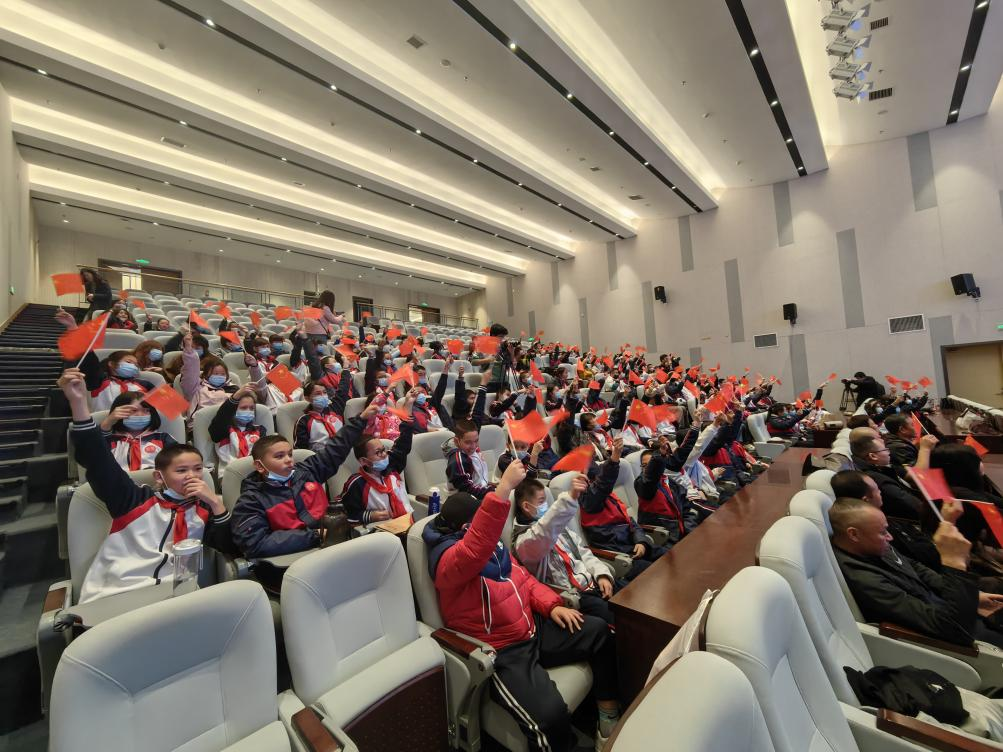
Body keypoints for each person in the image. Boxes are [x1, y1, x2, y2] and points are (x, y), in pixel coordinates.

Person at [423, 460, 620, 751]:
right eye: (479, 523)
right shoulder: (448, 561)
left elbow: (524, 579)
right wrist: (504, 487)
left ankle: (607, 721)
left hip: (531, 626)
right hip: (502, 649)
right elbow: (475, 548)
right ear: (467, 528)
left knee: (599, 631)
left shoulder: (494, 547)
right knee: (549, 718)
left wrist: (552, 605)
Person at [59, 367, 232, 604]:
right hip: (118, 596)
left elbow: (229, 547)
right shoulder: (134, 499)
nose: (191, 476)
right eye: (181, 471)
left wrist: (215, 503)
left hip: (180, 599)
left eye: (197, 469)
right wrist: (78, 404)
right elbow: (96, 460)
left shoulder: (204, 508)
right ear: (159, 477)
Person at [829, 497, 1003, 649]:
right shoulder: (864, 579)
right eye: (883, 532)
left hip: (952, 610)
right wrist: (955, 564)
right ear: (854, 534)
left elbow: (916, 568)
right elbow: (954, 630)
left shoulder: (871, 545)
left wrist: (972, 596)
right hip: (959, 640)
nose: (890, 537)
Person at [231, 402, 377, 558]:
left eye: (290, 454)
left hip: (331, 549)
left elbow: (336, 448)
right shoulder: (251, 499)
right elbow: (255, 543)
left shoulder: (307, 472)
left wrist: (361, 420)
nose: (289, 460)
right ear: (260, 466)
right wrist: (315, 535)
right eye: (279, 456)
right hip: (292, 560)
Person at [512, 475, 618, 626]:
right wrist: (570, 497)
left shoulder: (559, 528)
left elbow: (584, 553)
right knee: (619, 616)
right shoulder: (524, 543)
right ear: (527, 507)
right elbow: (543, 531)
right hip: (575, 596)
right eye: (541, 502)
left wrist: (602, 574)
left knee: (628, 596)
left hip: (594, 582)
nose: (546, 506)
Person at [579, 438, 667, 580]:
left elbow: (630, 522)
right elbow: (603, 484)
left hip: (632, 545)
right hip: (619, 555)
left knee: (668, 556)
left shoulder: (610, 496)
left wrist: (641, 540)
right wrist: (615, 457)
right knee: (656, 573)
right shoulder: (588, 500)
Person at [340, 394, 418, 525]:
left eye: (383, 450)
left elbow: (404, 443)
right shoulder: (357, 484)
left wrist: (409, 405)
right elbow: (345, 513)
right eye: (378, 453)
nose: (384, 454)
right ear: (364, 461)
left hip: (408, 523)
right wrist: (369, 516)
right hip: (380, 530)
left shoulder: (391, 466)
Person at [849, 432, 928, 520]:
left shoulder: (882, 467)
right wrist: (925, 449)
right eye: (885, 449)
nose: (889, 452)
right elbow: (917, 507)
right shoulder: (877, 480)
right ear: (873, 456)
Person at [99, 391, 178, 471]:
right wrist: (108, 422)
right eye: (133, 410)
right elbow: (94, 456)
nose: (140, 415)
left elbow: (179, 464)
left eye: (146, 411)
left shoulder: (163, 438)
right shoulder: (109, 440)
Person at [207, 384, 268, 474]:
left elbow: (262, 455)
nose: (248, 411)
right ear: (233, 410)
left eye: (251, 408)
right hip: (230, 474)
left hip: (254, 474)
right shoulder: (223, 429)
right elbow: (222, 416)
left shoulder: (259, 430)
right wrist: (235, 397)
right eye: (243, 408)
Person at [294, 374, 352, 452]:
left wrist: (345, 371)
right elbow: (301, 451)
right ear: (307, 398)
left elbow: (343, 389)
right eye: (318, 394)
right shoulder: (303, 421)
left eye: (324, 392)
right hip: (320, 457)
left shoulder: (336, 408)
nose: (323, 396)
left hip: (343, 453)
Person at [445, 418, 496, 499]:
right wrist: (492, 491)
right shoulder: (458, 460)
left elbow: (478, 480)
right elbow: (466, 489)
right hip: (462, 501)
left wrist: (493, 488)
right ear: (456, 441)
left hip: (476, 494)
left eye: (476, 441)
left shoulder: (472, 451)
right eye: (468, 442)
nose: (473, 446)